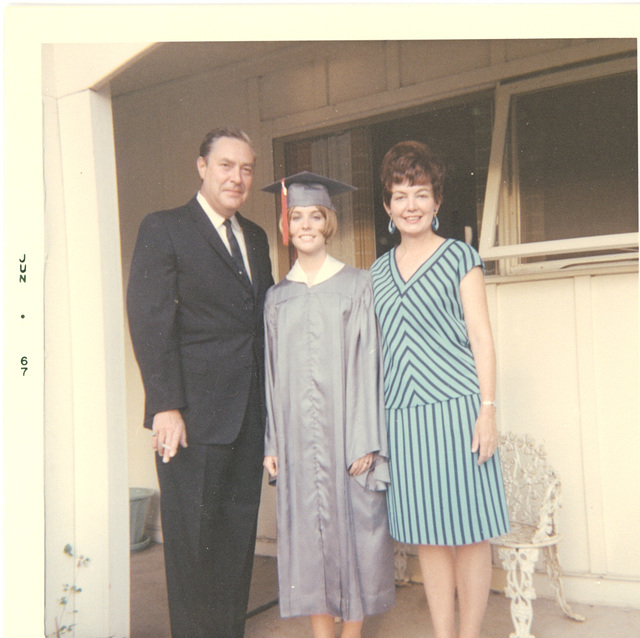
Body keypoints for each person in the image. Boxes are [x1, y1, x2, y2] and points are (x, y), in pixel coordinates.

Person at [127, 126, 274, 637]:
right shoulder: (164, 228)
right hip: (189, 419)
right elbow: (148, 320)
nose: (237, 177)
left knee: (235, 543)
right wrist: (165, 405)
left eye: (247, 168)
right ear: (202, 167)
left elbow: (261, 322)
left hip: (246, 416)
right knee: (191, 547)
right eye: (227, 165)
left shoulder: (254, 237)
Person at [370, 141, 509, 638]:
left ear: (437, 201)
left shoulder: (459, 258)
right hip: (403, 419)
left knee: (469, 534)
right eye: (400, 194)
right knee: (428, 538)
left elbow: (481, 338)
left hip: (458, 413)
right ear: (387, 206)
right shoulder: (376, 275)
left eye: (421, 193)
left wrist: (487, 411)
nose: (411, 204)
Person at [262, 172, 396, 638]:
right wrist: (272, 441)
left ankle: (352, 633)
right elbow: (272, 376)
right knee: (309, 541)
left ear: (328, 223)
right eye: (295, 216)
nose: (305, 225)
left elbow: (369, 364)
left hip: (347, 433)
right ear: (287, 225)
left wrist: (366, 440)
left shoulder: (357, 285)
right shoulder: (277, 298)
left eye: (314, 216)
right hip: (297, 438)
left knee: (356, 534)